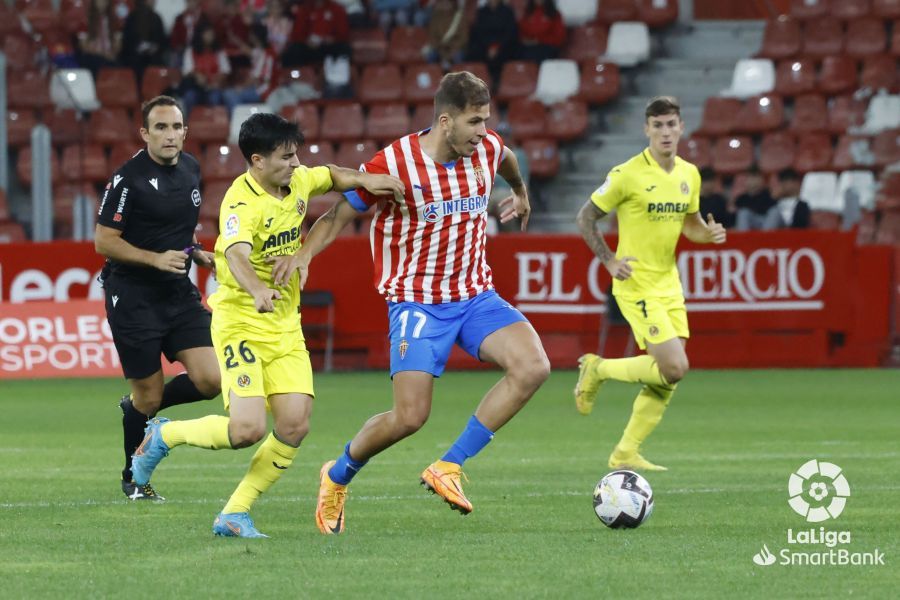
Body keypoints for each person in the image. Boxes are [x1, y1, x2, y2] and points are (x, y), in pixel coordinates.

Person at [271, 71, 550, 534]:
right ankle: (336, 476)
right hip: (417, 302)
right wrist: (304, 254)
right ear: (445, 121)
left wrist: (520, 194)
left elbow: (508, 159)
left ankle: (450, 465)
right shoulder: (396, 163)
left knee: (533, 366)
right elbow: (342, 211)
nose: (483, 132)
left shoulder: (486, 149)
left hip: (475, 294)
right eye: (474, 122)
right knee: (409, 416)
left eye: (486, 121)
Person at [128, 113, 404, 538]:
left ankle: (234, 513)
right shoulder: (241, 204)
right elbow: (236, 253)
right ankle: (167, 434)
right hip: (241, 322)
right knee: (247, 430)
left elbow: (332, 177)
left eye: (296, 155)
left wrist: (369, 181)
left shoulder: (297, 180)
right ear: (257, 160)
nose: (296, 164)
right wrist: (256, 288)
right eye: (286, 157)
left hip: (284, 325)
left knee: (294, 424)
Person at [573, 96, 727, 472]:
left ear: (681, 127)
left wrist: (706, 236)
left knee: (666, 378)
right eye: (657, 125)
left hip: (669, 284)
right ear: (647, 130)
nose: (665, 132)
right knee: (674, 367)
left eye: (671, 124)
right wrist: (609, 260)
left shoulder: (689, 174)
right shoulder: (627, 173)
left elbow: (689, 224)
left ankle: (626, 452)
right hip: (636, 284)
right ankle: (598, 369)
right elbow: (585, 217)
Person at [94, 95, 220, 501]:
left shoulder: (190, 169)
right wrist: (152, 258)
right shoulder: (127, 179)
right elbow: (104, 241)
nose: (170, 135)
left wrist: (195, 250)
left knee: (211, 380)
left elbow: (178, 229)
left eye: (177, 127)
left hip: (177, 292)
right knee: (149, 396)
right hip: (133, 296)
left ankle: (137, 408)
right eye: (161, 128)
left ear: (185, 131)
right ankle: (134, 477)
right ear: (145, 133)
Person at [734, 166, 776, 231]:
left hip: (767, 223)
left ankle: (765, 240)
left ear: (762, 180)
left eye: (756, 177)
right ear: (746, 181)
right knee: (743, 213)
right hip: (751, 222)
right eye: (751, 178)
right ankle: (743, 240)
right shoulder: (741, 198)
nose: (754, 181)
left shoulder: (768, 194)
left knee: (774, 211)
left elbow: (767, 210)